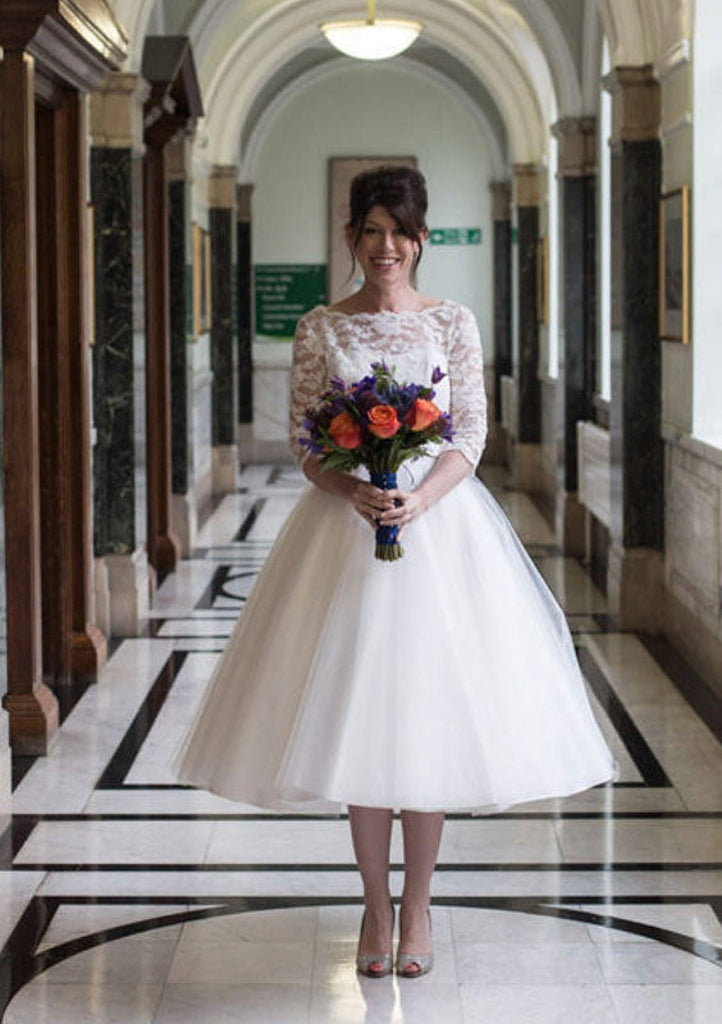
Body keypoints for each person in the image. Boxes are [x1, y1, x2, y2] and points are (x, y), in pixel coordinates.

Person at [173, 165, 616, 980]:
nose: (385, 247)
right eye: (370, 231)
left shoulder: (453, 320)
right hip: (344, 538)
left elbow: (470, 433)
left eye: (400, 232)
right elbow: (310, 443)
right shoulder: (321, 329)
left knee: (427, 724)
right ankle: (374, 907)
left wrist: (420, 501)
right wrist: (355, 488)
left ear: (421, 239)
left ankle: (419, 907)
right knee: (361, 720)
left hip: (440, 537)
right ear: (352, 237)